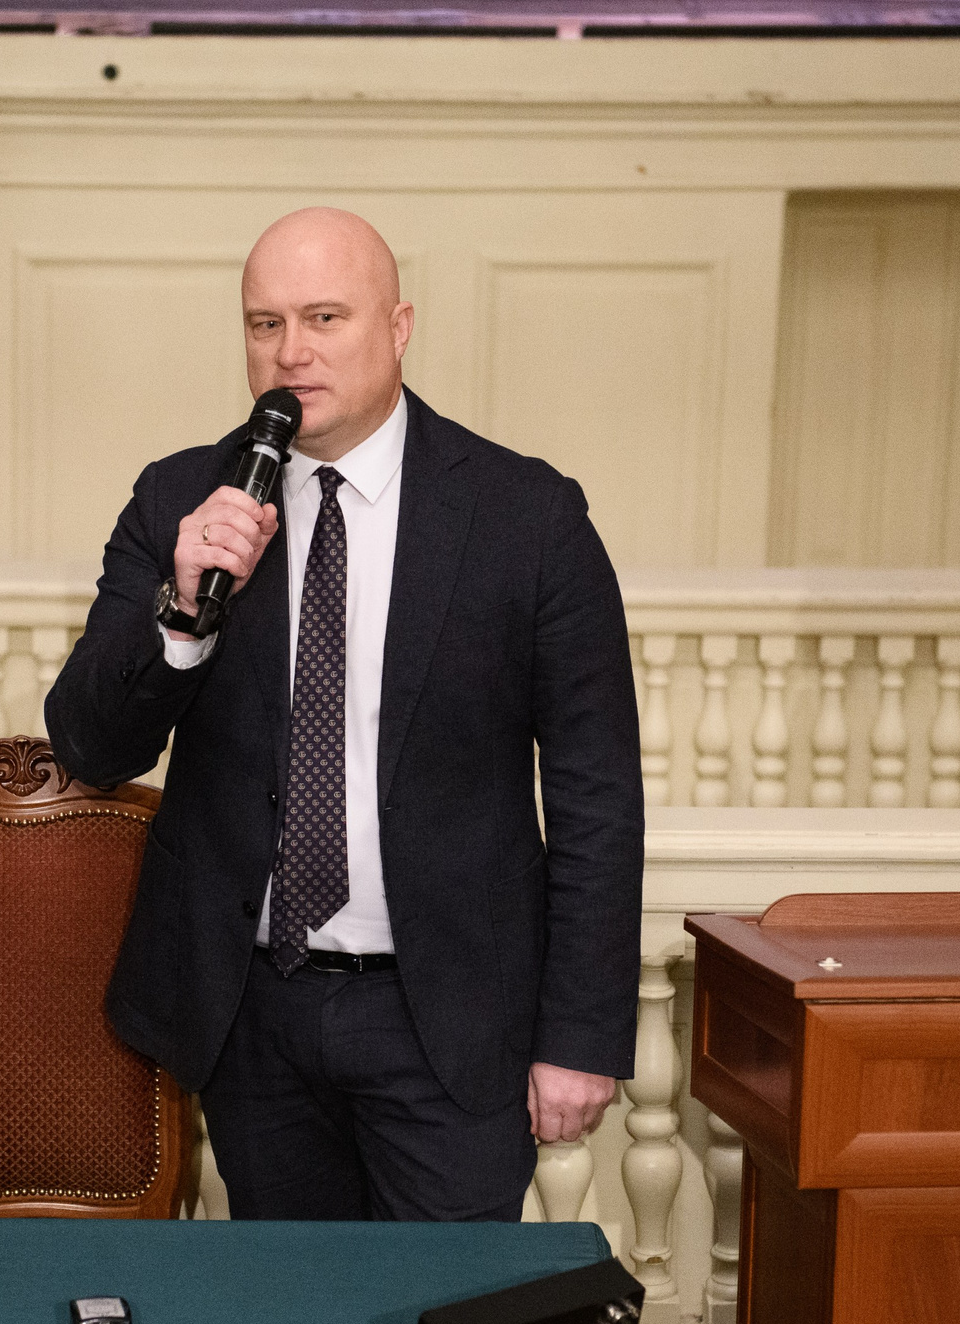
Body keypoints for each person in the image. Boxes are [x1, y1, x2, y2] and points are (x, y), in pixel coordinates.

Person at [44, 207, 642, 1224]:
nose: (291, 352)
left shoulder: (526, 518)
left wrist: (579, 1035)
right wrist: (184, 613)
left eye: (324, 317)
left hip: (446, 1018)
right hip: (252, 1015)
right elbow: (92, 744)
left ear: (399, 326)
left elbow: (595, 796)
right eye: (264, 323)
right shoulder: (181, 499)